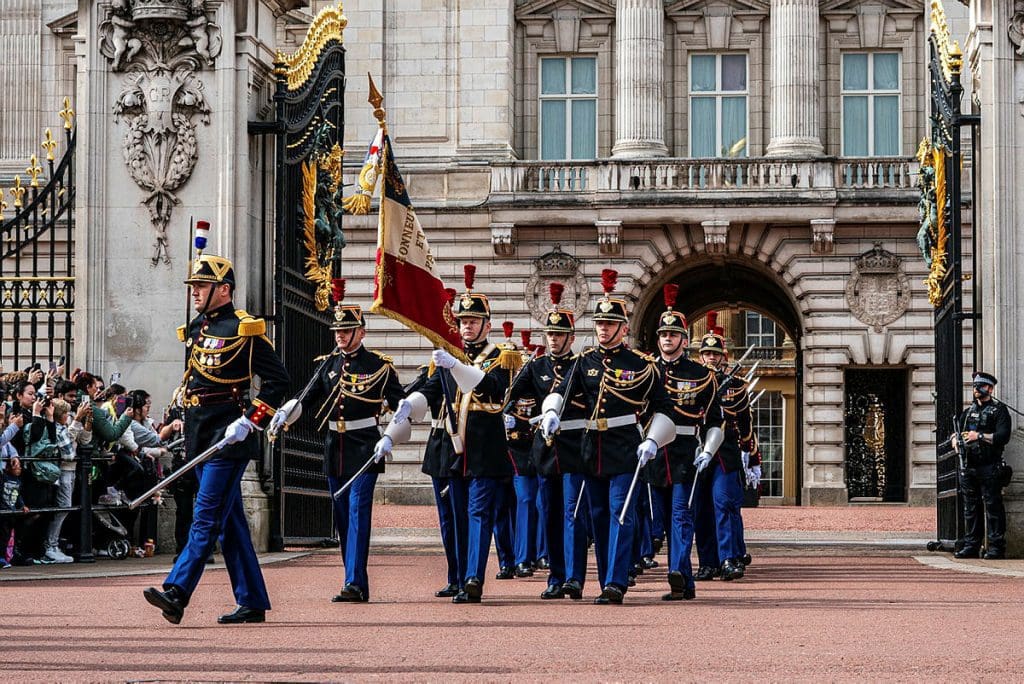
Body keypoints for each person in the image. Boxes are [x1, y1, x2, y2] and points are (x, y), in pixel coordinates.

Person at [143, 250, 290, 625]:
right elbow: (193, 383)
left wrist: (251, 421)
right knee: (230, 524)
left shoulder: (245, 329)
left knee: (205, 517)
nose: (194, 291)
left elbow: (279, 382)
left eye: (202, 285)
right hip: (200, 436)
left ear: (224, 289)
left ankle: (177, 591)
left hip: (230, 439)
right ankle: (252, 600)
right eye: (193, 285)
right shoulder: (196, 328)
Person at [380, 264, 520, 603]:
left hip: (483, 449)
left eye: (473, 321)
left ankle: (473, 578)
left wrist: (454, 364)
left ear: (487, 325)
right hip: (449, 448)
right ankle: (458, 577)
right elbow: (430, 390)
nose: (467, 326)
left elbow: (490, 388)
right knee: (454, 517)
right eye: (463, 321)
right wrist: (409, 405)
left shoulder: (501, 357)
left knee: (478, 513)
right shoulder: (446, 357)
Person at [539, 269, 676, 604]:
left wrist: (652, 439)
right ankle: (603, 579)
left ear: (623, 328)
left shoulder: (642, 365)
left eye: (609, 324)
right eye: (599, 323)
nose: (603, 329)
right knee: (597, 516)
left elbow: (663, 408)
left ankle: (615, 582)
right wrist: (552, 411)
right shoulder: (584, 361)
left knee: (621, 512)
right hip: (591, 448)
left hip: (625, 444)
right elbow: (562, 391)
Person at [270, 278, 404, 603]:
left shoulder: (379, 366)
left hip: (365, 446)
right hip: (335, 447)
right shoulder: (327, 366)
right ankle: (354, 579)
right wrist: (285, 413)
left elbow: (401, 406)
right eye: (338, 332)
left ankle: (354, 582)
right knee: (342, 517)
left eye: (347, 331)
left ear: (362, 332)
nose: (341, 336)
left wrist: (391, 435)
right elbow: (306, 398)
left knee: (358, 511)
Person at [643, 286, 723, 600]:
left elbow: (715, 420)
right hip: (654, 453)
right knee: (660, 521)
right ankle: (685, 583)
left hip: (684, 452)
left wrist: (708, 449)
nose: (667, 338)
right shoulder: (646, 371)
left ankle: (677, 571)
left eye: (673, 334)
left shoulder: (701, 374)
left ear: (684, 340)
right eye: (663, 334)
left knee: (681, 515)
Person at [507, 282, 586, 600]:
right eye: (550, 334)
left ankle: (574, 577)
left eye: (559, 334)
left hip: (575, 446)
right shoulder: (536, 367)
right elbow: (511, 396)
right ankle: (556, 576)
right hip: (546, 449)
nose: (553, 339)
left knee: (572, 514)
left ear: (571, 338)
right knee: (550, 513)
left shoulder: (582, 365)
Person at [693, 312, 752, 581]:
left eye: (715, 354)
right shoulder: (692, 382)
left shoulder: (736, 386)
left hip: (725, 453)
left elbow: (745, 421)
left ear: (722, 357)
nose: (711, 358)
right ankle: (708, 562)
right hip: (697, 450)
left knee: (723, 503)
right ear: (700, 356)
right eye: (707, 353)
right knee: (701, 508)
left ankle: (728, 558)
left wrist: (748, 451)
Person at [951, 371, 1012, 559]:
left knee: (993, 507)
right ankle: (972, 545)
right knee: (971, 508)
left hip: (989, 465)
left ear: (990, 389)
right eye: (975, 386)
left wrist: (978, 436)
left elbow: (1003, 436)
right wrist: (954, 440)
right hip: (969, 465)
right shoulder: (968, 412)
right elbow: (957, 432)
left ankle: (996, 547)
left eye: (981, 386)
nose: (976, 389)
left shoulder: (999, 410)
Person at [42, 398, 91, 563]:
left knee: (65, 508)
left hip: (70, 471)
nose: (68, 416)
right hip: (63, 471)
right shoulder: (58, 428)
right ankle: (51, 545)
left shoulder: (64, 427)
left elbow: (84, 440)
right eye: (66, 413)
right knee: (63, 507)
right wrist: (76, 420)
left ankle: (54, 544)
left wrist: (85, 422)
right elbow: (69, 454)